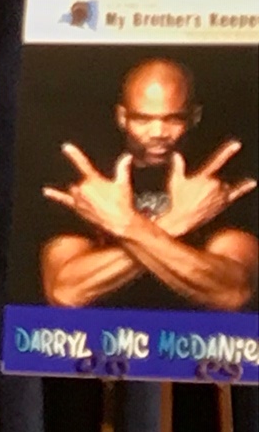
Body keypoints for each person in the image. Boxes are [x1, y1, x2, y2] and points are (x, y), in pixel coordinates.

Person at [41, 58, 257, 312]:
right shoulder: (91, 184)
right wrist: (177, 221)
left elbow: (232, 293)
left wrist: (126, 226)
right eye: (143, 119)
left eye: (173, 119)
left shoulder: (216, 186)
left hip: (196, 341)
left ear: (194, 116)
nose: (158, 132)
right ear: (122, 117)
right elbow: (66, 293)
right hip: (102, 341)